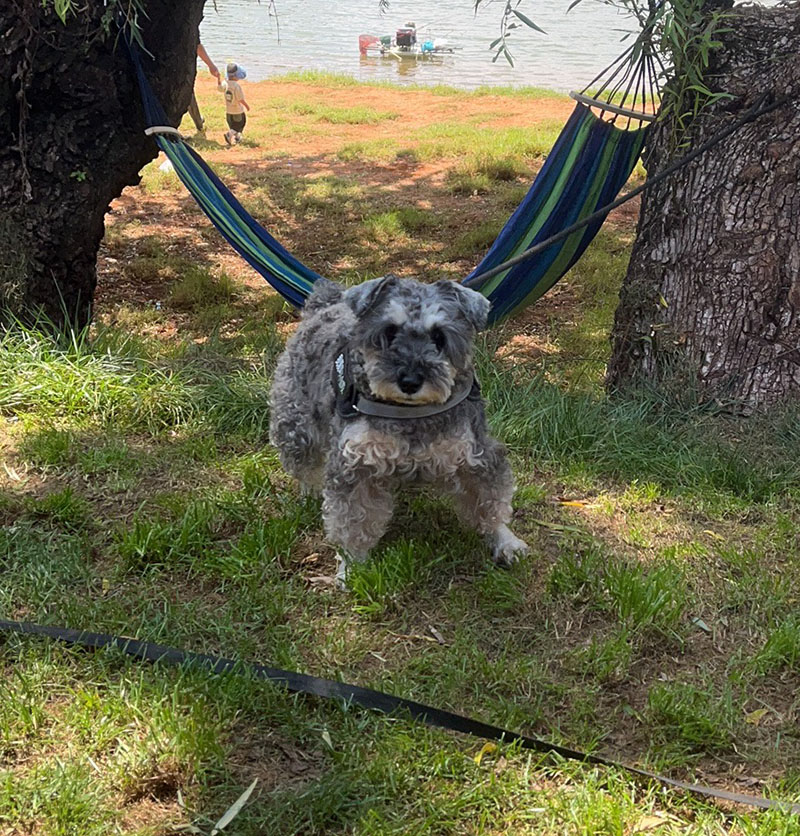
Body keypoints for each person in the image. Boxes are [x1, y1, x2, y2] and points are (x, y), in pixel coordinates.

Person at [188, 43, 220, 133]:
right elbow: (197, 44)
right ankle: (198, 123)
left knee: (188, 94)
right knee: (188, 94)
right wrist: (211, 65)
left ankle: (198, 122)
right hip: (182, 67)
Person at [218, 62, 250, 146]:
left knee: (232, 125)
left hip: (228, 111)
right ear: (236, 75)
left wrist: (218, 79)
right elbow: (240, 99)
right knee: (240, 125)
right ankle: (229, 134)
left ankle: (237, 138)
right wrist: (246, 106)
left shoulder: (225, 83)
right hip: (237, 111)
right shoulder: (236, 86)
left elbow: (220, 88)